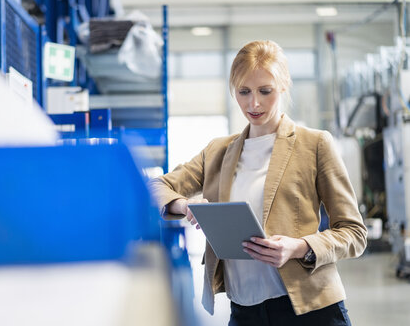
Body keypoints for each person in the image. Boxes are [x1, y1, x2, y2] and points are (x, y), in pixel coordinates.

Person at [148, 40, 367, 326]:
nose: (254, 103)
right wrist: (184, 204)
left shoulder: (314, 144)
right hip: (244, 312)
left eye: (266, 91)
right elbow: (154, 188)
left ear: (284, 85)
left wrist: (299, 247)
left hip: (310, 310)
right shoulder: (218, 152)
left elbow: (354, 233)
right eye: (244, 92)